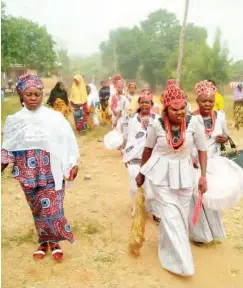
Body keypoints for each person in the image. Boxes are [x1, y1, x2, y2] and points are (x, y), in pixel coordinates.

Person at [1, 74, 79, 261]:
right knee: (37, 208)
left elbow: (67, 140)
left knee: (52, 208)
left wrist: (72, 162)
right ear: (21, 95)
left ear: (42, 95)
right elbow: (8, 147)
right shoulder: (15, 120)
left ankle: (55, 241)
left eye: (37, 94)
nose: (34, 98)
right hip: (27, 172)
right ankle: (44, 242)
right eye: (29, 94)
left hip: (52, 169)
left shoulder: (54, 118)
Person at [136, 84, 208, 276]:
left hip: (185, 175)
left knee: (180, 217)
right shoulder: (155, 124)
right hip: (160, 175)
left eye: (182, 107)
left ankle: (168, 249)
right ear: (166, 109)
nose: (180, 112)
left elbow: (202, 150)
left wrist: (203, 176)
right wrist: (141, 173)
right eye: (174, 109)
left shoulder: (195, 123)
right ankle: (183, 264)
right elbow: (148, 149)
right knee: (170, 216)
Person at [189, 80, 243, 245]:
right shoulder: (190, 118)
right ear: (197, 101)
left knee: (214, 196)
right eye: (204, 100)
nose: (207, 104)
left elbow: (226, 135)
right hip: (196, 163)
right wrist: (190, 158)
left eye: (210, 101)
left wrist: (224, 138)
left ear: (215, 101)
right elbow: (186, 141)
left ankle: (213, 232)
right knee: (197, 196)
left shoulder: (220, 116)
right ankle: (199, 235)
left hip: (215, 162)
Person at [123, 89, 160, 222]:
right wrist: (126, 156)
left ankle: (156, 212)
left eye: (147, 102)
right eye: (142, 102)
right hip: (135, 158)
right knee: (135, 186)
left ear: (151, 104)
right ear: (139, 104)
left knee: (153, 188)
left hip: (153, 158)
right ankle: (138, 208)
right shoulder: (132, 120)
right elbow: (129, 139)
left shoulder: (157, 120)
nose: (144, 105)